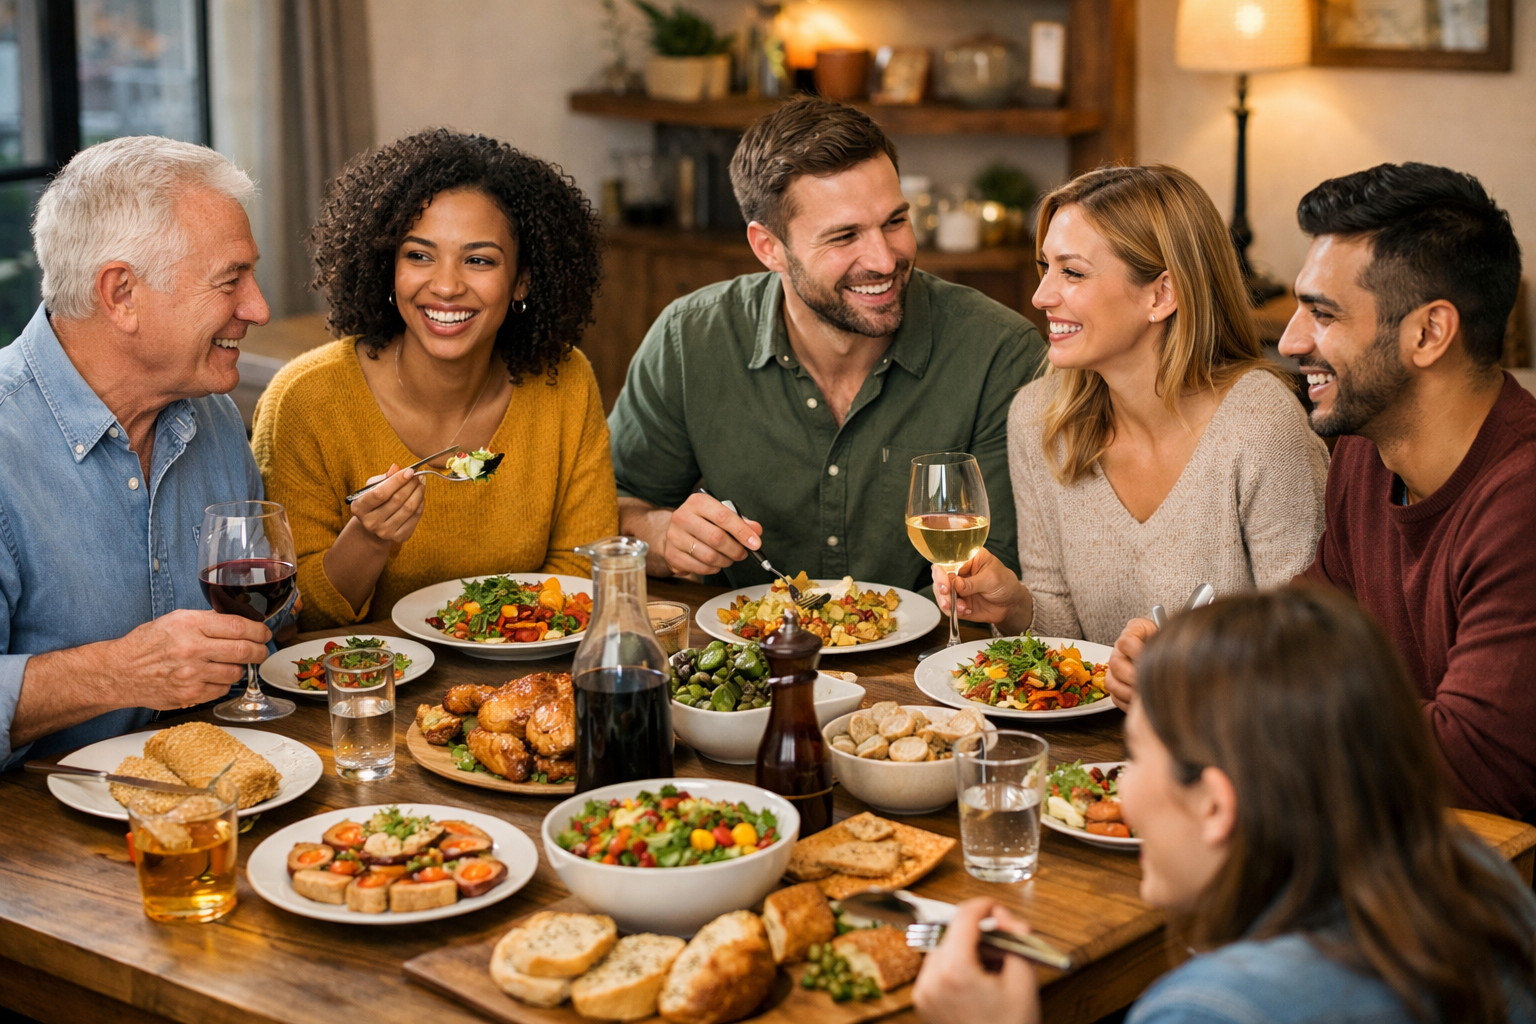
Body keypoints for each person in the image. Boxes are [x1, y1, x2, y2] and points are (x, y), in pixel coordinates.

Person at [1107, 163, 1536, 821]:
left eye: (1323, 314)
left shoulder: (1520, 502)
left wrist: (1229, 695)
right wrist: (1196, 652)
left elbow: (1473, 763)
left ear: (1429, 333)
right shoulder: (1366, 450)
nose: (1291, 341)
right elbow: (1317, 619)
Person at [914, 588, 1536, 1024]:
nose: (1122, 790)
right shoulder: (1484, 883)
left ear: (1215, 804)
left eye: (1136, 757)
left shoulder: (1207, 1009)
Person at [608, 97, 1045, 591]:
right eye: (844, 236)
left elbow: (1010, 561)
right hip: (742, 658)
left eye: (895, 221)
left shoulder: (998, 352)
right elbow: (613, 508)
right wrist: (662, 535)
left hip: (929, 662)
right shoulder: (689, 339)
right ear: (768, 247)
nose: (883, 259)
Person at [933, 166, 1327, 645]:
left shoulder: (1262, 424)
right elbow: (1068, 639)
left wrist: (1173, 676)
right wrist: (1018, 606)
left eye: (1073, 272)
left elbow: (1307, 649)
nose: (1040, 297)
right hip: (1089, 723)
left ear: (1162, 294)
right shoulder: (1039, 418)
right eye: (1046, 268)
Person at [253, 129, 619, 630]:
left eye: (479, 260)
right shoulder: (306, 400)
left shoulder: (565, 381)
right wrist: (371, 539)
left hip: (526, 682)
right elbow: (294, 618)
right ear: (388, 266)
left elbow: (583, 569)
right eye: (419, 255)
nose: (445, 286)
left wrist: (481, 634)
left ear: (522, 280)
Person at [0, 137, 276, 767]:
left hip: (220, 800)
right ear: (121, 293)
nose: (256, 307)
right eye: (230, 280)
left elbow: (264, 632)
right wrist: (119, 672)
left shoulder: (213, 415)